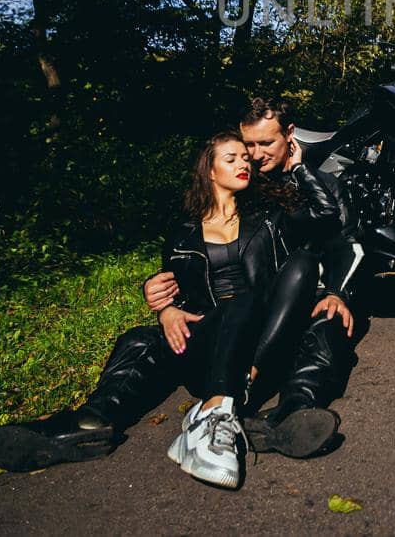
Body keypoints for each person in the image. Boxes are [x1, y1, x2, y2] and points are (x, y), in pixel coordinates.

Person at [0, 129, 358, 488]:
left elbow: (327, 220)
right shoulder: (181, 234)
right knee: (142, 339)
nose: (245, 163)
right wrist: (165, 310)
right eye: (232, 158)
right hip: (212, 345)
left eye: (247, 157)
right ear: (209, 170)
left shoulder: (271, 218)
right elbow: (169, 290)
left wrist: (299, 167)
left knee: (324, 313)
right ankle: (91, 422)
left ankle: (286, 414)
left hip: (266, 344)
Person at [143, 96, 366, 450]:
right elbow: (195, 252)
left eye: (266, 143)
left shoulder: (322, 187)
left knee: (331, 320)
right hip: (243, 317)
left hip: (303, 303)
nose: (256, 155)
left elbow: (346, 244)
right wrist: (163, 301)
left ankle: (293, 412)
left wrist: (338, 293)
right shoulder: (243, 187)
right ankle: (240, 389)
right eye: (248, 146)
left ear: (290, 136)